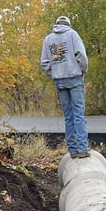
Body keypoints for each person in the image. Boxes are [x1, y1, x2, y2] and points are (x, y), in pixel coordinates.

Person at [41, 15, 90, 158]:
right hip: (74, 78)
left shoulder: (48, 39)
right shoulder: (72, 34)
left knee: (68, 116)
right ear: (68, 24)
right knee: (78, 115)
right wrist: (82, 71)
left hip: (59, 81)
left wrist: (54, 73)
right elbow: (81, 55)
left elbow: (44, 63)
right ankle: (82, 149)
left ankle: (73, 150)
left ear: (56, 24)